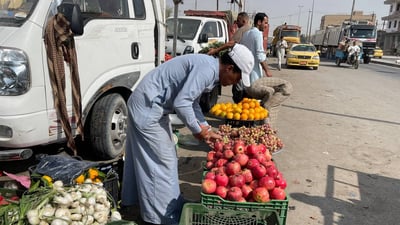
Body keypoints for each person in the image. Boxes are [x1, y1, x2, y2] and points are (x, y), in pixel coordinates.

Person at [121, 43, 254, 225]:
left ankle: (165, 205)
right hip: (148, 107)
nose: (235, 83)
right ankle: (159, 218)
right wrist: (198, 131)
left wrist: (206, 128)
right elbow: (182, 103)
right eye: (237, 78)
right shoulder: (207, 70)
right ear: (229, 68)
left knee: (155, 158)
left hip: (150, 105)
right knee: (162, 162)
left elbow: (193, 104)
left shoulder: (209, 68)